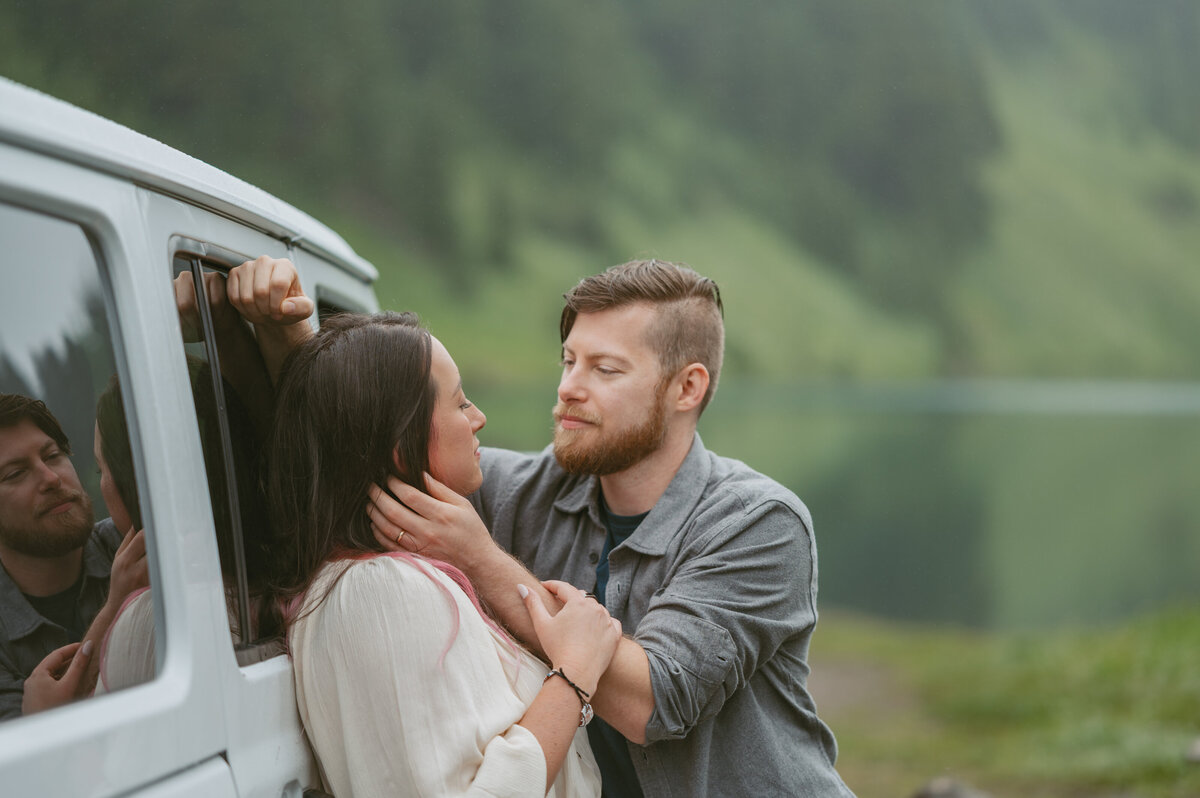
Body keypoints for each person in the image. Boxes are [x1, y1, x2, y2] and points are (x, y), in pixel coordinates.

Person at [228, 256, 855, 797]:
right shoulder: (517, 488)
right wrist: (287, 335)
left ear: (687, 387)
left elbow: (655, 703)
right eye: (568, 360)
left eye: (605, 370)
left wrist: (480, 558)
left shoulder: (760, 523)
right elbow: (363, 448)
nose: (568, 389)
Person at [259, 311, 621, 797]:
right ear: (399, 444)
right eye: (460, 403)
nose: (479, 418)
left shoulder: (382, 582)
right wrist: (574, 674)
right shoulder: (383, 593)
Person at [0, 393, 147, 718]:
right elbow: (26, 762)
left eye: (52, 455)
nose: (51, 478)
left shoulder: (133, 538)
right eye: (15, 474)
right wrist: (117, 607)